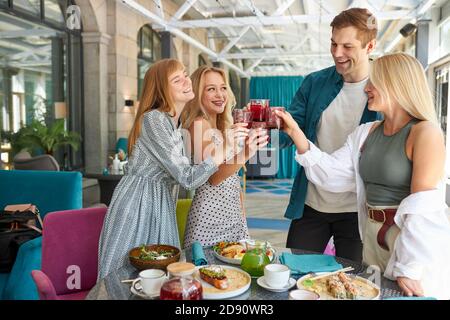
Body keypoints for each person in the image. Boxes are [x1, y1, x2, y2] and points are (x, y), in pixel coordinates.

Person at [276, 52, 450, 299]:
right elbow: (331, 175)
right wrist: (295, 132)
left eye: (373, 81)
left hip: (411, 245)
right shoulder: (366, 132)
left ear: (396, 84)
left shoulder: (425, 133)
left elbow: (423, 207)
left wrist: (409, 267)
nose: (366, 87)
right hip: (371, 239)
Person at [97, 59, 243, 279]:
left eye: (185, 74)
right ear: (162, 90)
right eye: (177, 79)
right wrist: (227, 148)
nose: (186, 80)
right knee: (122, 277)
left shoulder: (174, 124)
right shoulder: (154, 118)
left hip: (163, 203)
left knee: (158, 278)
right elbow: (187, 178)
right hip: (138, 204)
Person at [280, 8, 381, 262]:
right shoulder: (315, 82)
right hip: (312, 202)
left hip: (357, 209)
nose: (337, 53)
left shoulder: (385, 88)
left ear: (370, 46)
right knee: (299, 274)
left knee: (353, 282)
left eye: (347, 46)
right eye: (334, 44)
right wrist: (272, 124)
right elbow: (289, 133)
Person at [180, 66, 269, 248]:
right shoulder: (199, 124)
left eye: (223, 88)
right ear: (198, 94)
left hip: (233, 217)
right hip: (209, 220)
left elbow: (232, 178)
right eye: (211, 89)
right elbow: (214, 177)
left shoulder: (223, 126)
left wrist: (242, 215)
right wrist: (245, 153)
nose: (220, 95)